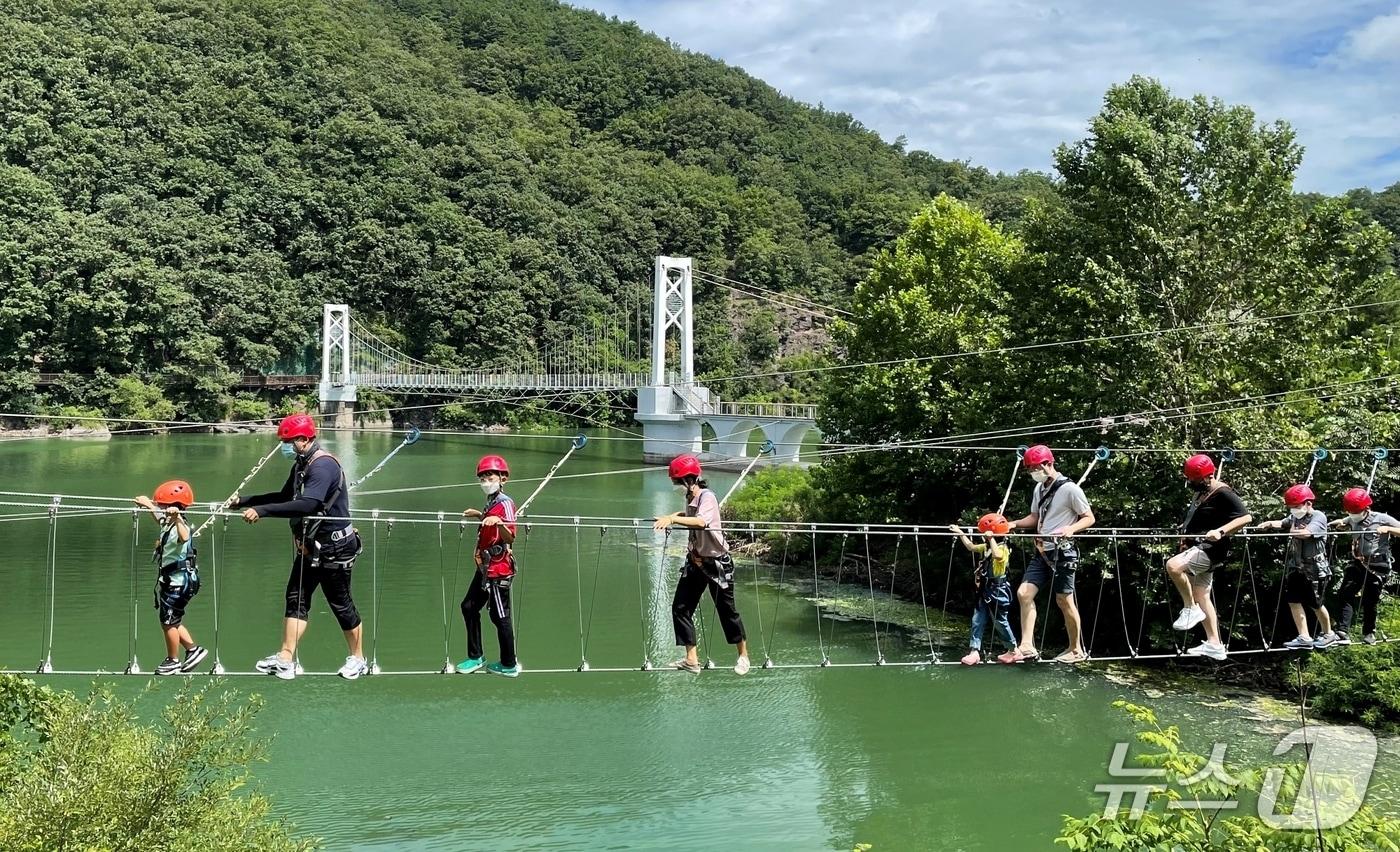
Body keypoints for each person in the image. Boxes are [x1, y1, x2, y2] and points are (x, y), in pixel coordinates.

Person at [232, 413, 367, 680]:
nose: (285, 447)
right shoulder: (301, 465)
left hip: (335, 548)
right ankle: (285, 658)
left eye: (288, 442)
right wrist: (246, 501)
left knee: (340, 603)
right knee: (296, 598)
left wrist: (262, 512)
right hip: (311, 547)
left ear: (304, 439)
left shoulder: (323, 466)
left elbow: (309, 504)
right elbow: (285, 496)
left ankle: (358, 658)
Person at [998, 445, 1096, 664]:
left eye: (1035, 467)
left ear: (1048, 463)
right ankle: (1027, 645)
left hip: (1063, 552)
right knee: (1024, 593)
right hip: (1042, 551)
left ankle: (1076, 649)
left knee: (1064, 600)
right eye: (1030, 469)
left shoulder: (1070, 489)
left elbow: (1089, 518)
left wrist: (1071, 529)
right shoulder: (1039, 489)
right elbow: (1035, 517)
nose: (1033, 472)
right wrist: (1012, 524)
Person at [653, 454, 750, 675]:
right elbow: (690, 514)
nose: (675, 486)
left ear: (688, 480)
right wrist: (673, 515)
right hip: (696, 562)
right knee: (680, 608)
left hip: (717, 563)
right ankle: (691, 659)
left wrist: (673, 520)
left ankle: (743, 655)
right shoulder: (691, 497)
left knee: (727, 611)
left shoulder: (708, 497)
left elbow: (701, 521)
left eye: (676, 482)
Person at [1167, 454, 1253, 661]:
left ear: (1208, 476)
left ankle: (1190, 608)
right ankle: (1215, 644)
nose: (1190, 482)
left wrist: (1221, 531)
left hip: (1210, 549)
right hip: (1199, 547)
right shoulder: (1202, 491)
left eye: (1194, 479)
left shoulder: (1223, 492)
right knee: (1202, 595)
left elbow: (1246, 517)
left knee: (1173, 566)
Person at [455, 455, 520, 677]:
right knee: (468, 607)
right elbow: (490, 521)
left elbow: (510, 536)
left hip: (498, 570)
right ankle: (476, 657)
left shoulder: (506, 503)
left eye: (490, 478)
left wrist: (499, 523)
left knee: (500, 617)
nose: (485, 482)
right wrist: (480, 515)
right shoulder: (492, 501)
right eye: (482, 478)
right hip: (486, 568)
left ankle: (509, 664)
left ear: (503, 479)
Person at [134, 480, 208, 675]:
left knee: (168, 623)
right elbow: (160, 519)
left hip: (178, 583)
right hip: (175, 582)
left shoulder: (179, 525)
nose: (160, 509)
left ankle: (173, 660)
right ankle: (193, 650)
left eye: (162, 506)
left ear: (173, 507)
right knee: (172, 619)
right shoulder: (168, 523)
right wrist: (148, 505)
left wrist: (177, 518)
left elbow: (185, 536)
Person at [1256, 484, 1339, 650]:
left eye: (1296, 506)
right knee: (1293, 600)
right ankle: (1304, 637)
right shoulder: (1295, 517)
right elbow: (1283, 523)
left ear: (1308, 503)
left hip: (1315, 569)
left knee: (1316, 603)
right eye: (1291, 507)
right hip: (1297, 568)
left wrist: (1292, 530)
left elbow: (1305, 533)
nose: (1293, 510)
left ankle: (1329, 634)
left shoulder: (1318, 517)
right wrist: (1270, 524)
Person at [1330, 487, 1400, 645]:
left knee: (1370, 600)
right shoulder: (1353, 517)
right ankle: (1342, 632)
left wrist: (1388, 529)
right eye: (1350, 512)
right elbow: (1345, 521)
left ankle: (1369, 633)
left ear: (1366, 509)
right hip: (1358, 563)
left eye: (1355, 512)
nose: (1352, 515)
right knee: (1345, 594)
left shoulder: (1381, 518)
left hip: (1377, 566)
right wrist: (1339, 523)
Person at [950, 513, 1016, 665]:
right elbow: (971, 547)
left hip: (998, 590)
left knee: (1000, 621)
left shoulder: (1003, 548)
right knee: (977, 619)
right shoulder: (986, 547)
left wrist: (991, 538)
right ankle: (974, 651)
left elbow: (998, 556)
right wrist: (960, 533)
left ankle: (1013, 650)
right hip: (985, 589)